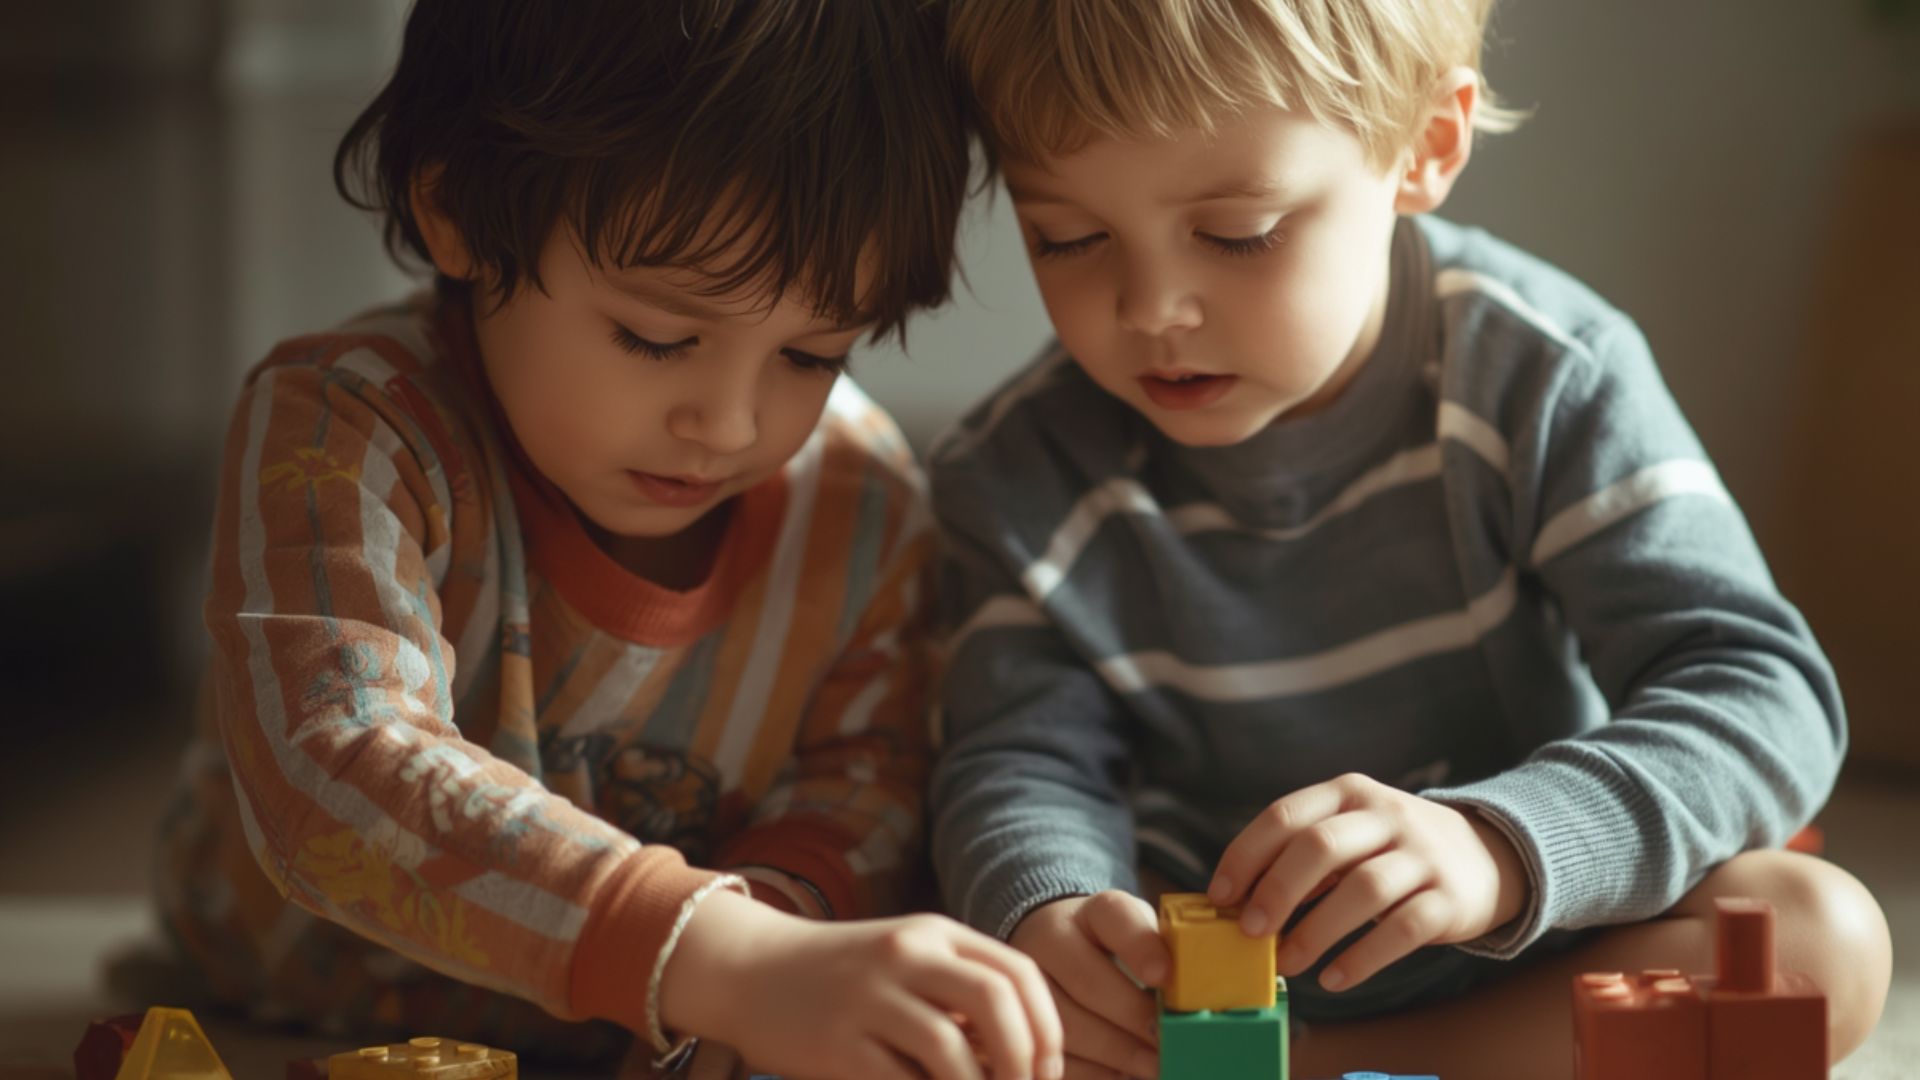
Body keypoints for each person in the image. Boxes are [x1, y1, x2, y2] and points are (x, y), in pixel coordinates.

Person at [924, 2, 1891, 1077]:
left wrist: (1497, 849)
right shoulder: (1013, 471)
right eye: (1068, 236)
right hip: (1191, 989)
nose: (1151, 307)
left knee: (1817, 938)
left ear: (1427, 147)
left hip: (1524, 942)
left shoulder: (1543, 373)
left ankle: (1336, 1069)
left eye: (1237, 231)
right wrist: (1058, 914)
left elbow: (1761, 688)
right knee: (969, 971)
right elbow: (1018, 758)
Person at [151, 3, 1063, 1078]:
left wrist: (770, 952)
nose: (728, 424)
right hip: (291, 1009)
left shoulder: (857, 498)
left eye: (813, 354)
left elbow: (862, 780)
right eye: (657, 336)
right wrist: (721, 956)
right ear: (455, 213)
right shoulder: (347, 427)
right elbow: (334, 762)